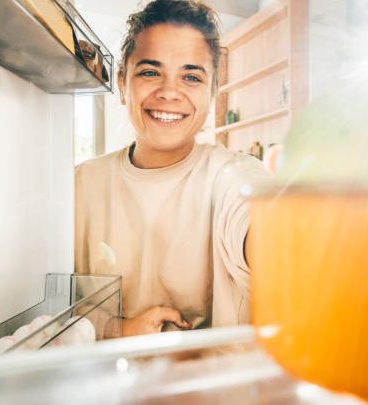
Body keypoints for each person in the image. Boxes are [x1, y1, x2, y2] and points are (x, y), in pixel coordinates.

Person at [74, 0, 271, 337]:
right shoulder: (82, 184)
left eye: (191, 77)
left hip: (217, 387)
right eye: (150, 72)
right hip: (108, 386)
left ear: (211, 94)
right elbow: (52, 308)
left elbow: (267, 228)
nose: (169, 92)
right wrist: (116, 329)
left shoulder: (231, 177)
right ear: (122, 83)